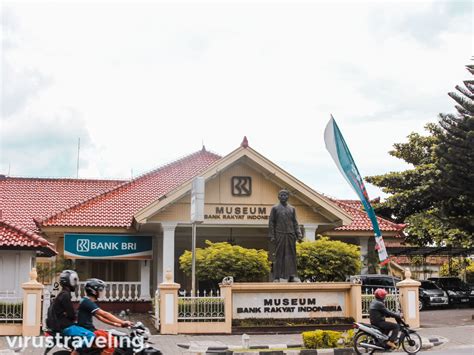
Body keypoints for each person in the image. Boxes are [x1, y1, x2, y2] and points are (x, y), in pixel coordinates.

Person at [77, 278, 133, 354]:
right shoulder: (87, 302)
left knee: (112, 334)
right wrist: (123, 321)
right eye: (100, 290)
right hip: (88, 331)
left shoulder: (86, 301)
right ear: (93, 291)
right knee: (113, 341)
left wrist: (118, 324)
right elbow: (104, 314)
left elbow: (101, 318)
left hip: (89, 330)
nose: (102, 292)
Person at [47, 270, 95, 355]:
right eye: (75, 280)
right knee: (91, 336)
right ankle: (75, 353)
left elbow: (68, 313)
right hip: (66, 327)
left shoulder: (62, 294)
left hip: (61, 326)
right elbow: (71, 315)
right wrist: (72, 315)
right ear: (70, 281)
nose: (76, 284)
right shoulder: (65, 295)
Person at [268, 189, 303, 282]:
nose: (283, 197)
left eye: (285, 195)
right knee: (279, 255)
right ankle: (277, 277)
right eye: (281, 195)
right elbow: (271, 222)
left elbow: (295, 222)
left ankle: (292, 276)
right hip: (279, 234)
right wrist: (272, 235)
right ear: (278, 197)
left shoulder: (292, 209)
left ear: (288, 197)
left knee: (291, 256)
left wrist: (299, 234)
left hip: (291, 235)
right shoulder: (275, 208)